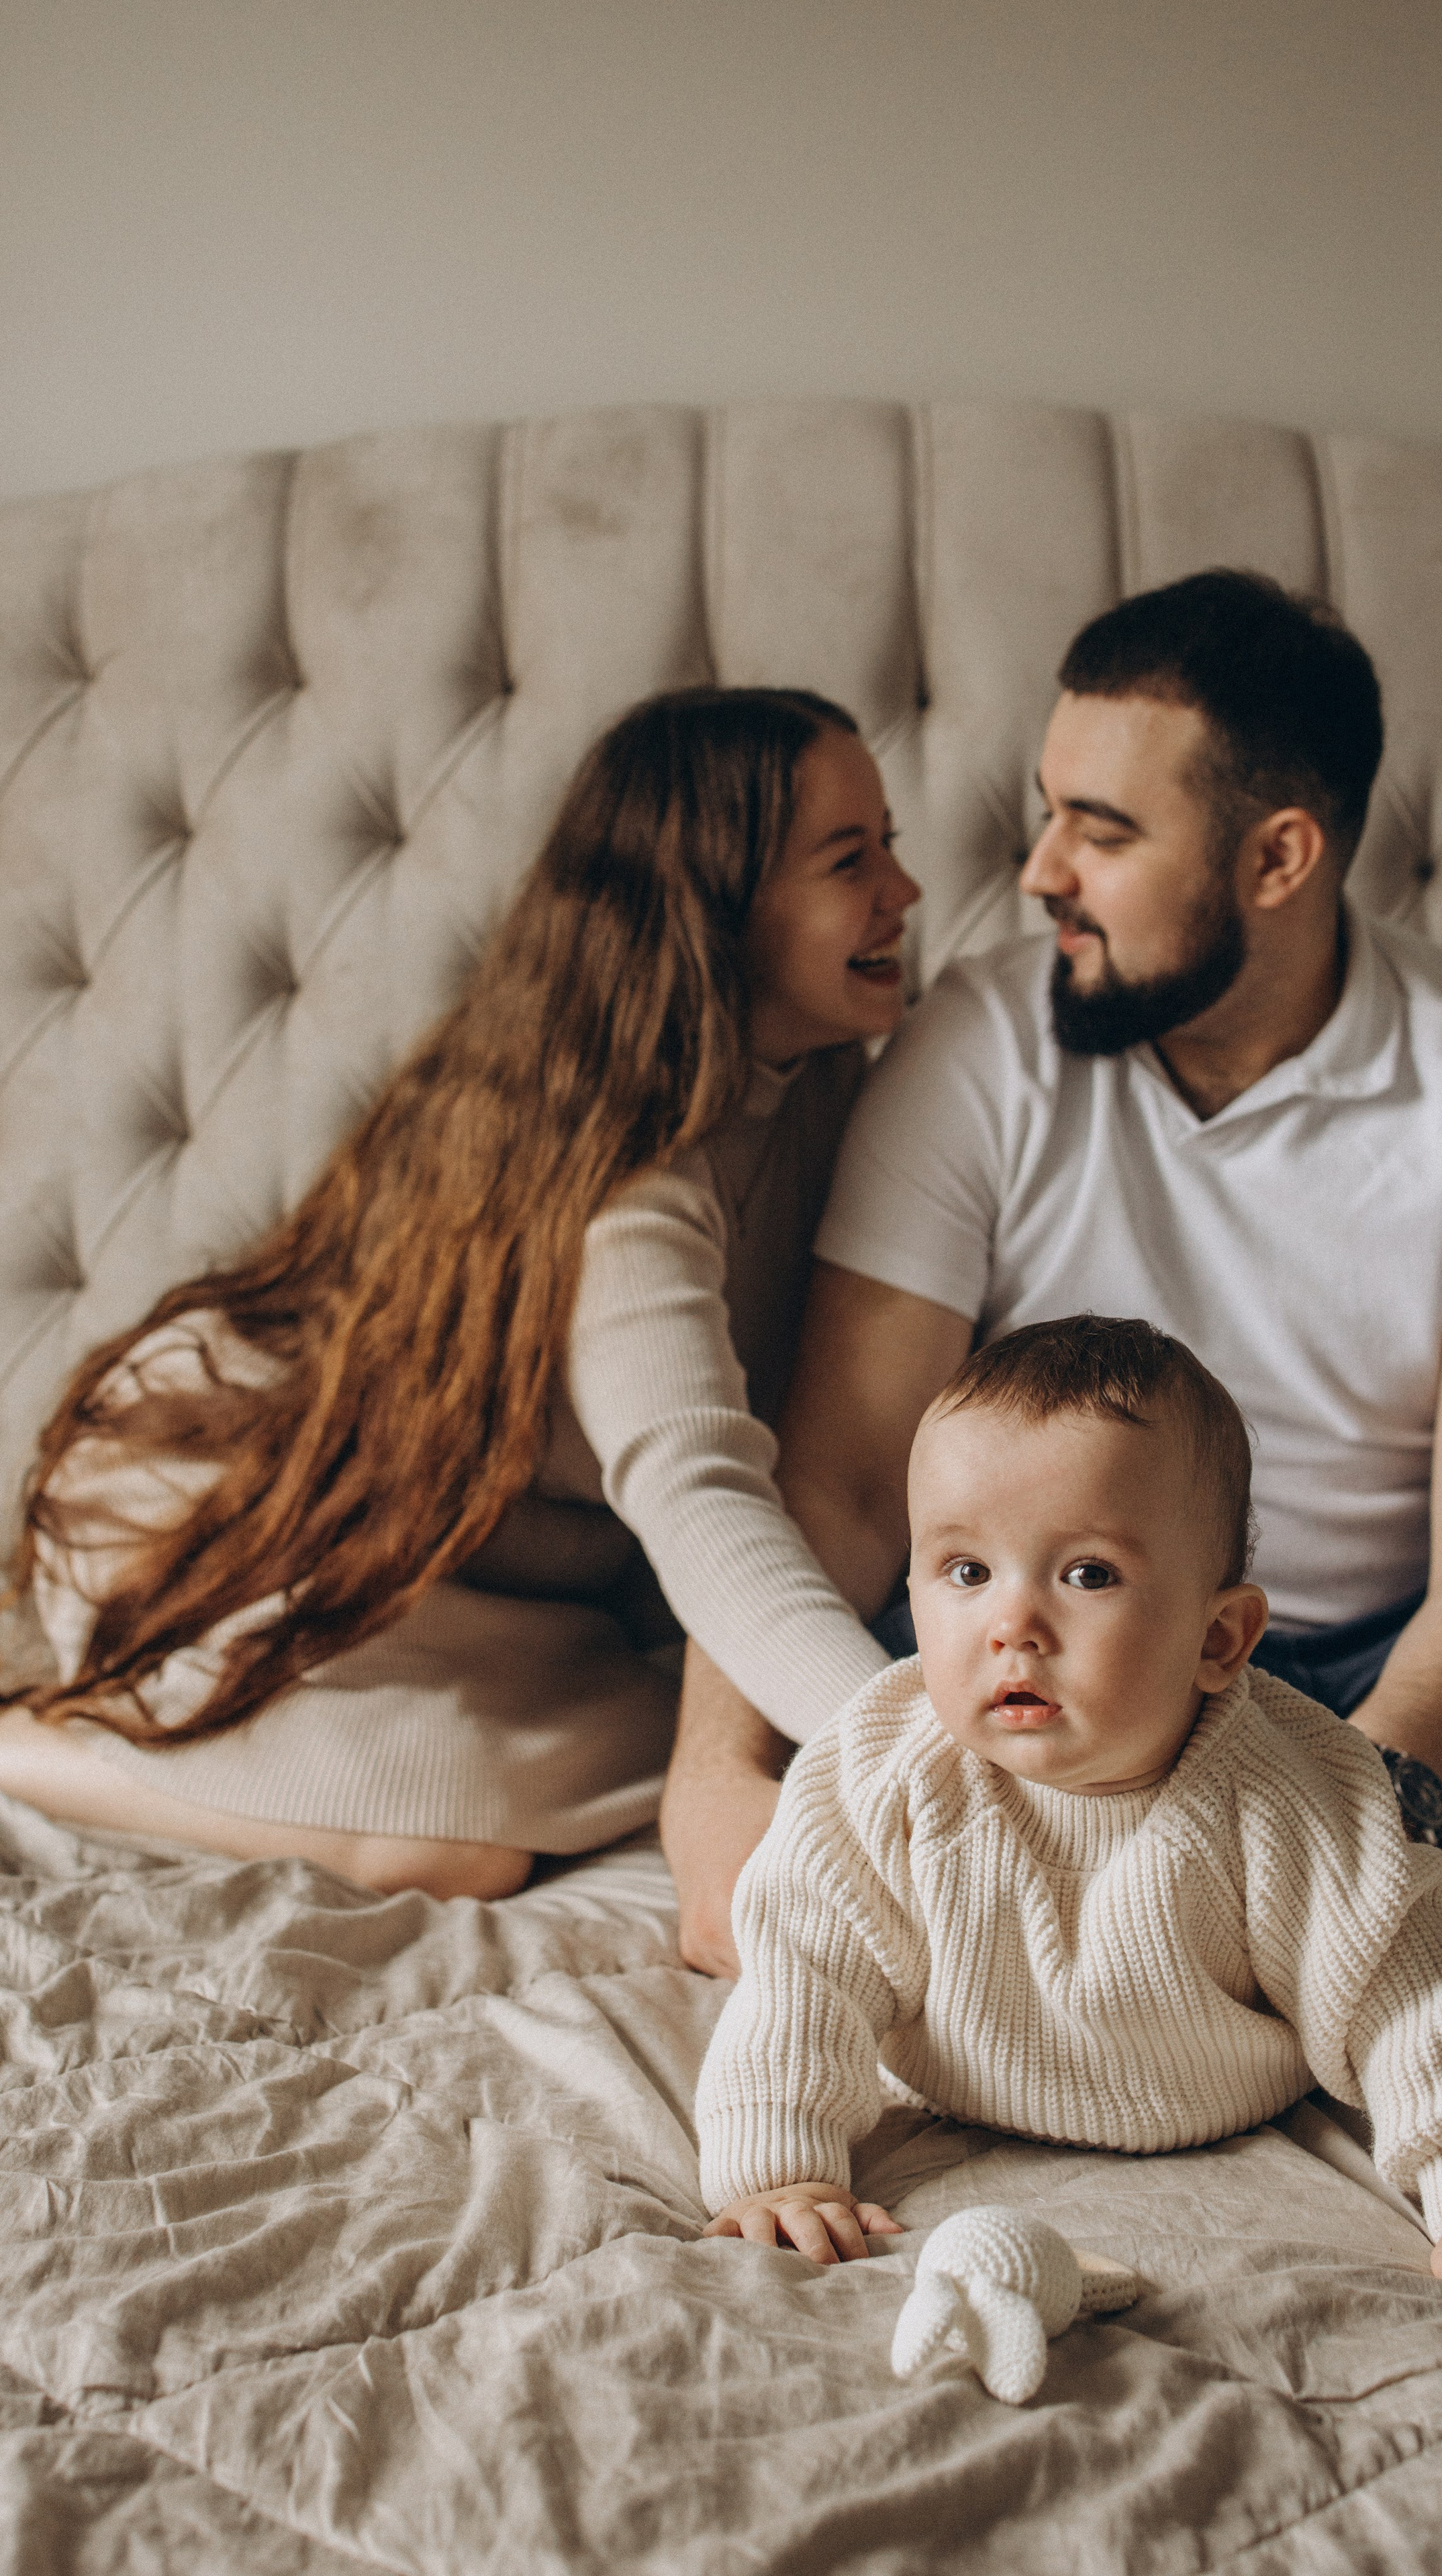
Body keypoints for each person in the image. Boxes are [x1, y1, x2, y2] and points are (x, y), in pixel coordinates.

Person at [666, 568, 1442, 1957]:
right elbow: (845, 1475)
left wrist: (1354, 1805)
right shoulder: (979, 1040)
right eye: (1050, 814)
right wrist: (711, 1779)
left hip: (1384, 1672)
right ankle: (1215, 1893)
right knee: (897, 1638)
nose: (1038, 872)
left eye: (1098, 834)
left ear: (1276, 858)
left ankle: (1206, 1882)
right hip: (1049, 1648)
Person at [1, 687, 915, 1899]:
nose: (903, 893)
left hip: (474, 1572)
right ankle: (27, 1743)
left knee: (621, 1742)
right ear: (718, 910)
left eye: (891, 843)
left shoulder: (837, 1092)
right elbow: (697, 1489)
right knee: (448, 1849)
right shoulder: (630, 1188)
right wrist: (914, 1755)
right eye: (852, 861)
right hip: (231, 1505)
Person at [697, 1318, 1442, 2334]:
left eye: (1088, 1573)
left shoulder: (1295, 1796)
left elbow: (1417, 2000)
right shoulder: (880, 1770)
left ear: (1221, 1636)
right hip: (957, 2075)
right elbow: (801, 1972)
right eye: (966, 1571)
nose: (1013, 1622)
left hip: (1227, 2089)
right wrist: (779, 2171)